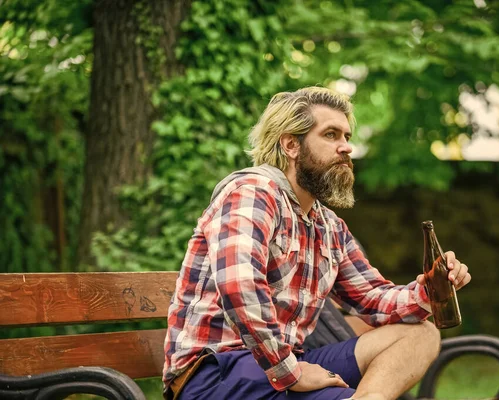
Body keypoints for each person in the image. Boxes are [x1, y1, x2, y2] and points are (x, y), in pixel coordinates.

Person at [163, 87, 472, 400]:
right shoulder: (253, 192)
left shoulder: (327, 224)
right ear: (291, 145)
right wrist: (289, 372)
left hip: (282, 368)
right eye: (331, 135)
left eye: (347, 137)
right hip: (218, 375)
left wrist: (430, 290)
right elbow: (239, 285)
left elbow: (372, 298)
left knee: (421, 335)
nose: (346, 148)